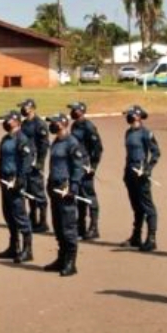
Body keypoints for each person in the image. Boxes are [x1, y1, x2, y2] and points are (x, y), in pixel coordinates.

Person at [43, 113, 86, 276]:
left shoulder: (71, 143)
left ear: (63, 124)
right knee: (58, 225)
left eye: (54, 123)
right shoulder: (57, 141)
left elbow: (77, 167)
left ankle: (70, 262)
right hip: (54, 186)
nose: (52, 125)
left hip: (65, 188)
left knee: (68, 227)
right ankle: (61, 258)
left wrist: (73, 187)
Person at [0, 111, 34, 263]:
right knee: (9, 215)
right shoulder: (5, 139)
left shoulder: (22, 139)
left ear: (16, 121)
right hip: (5, 181)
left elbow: (26, 163)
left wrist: (20, 181)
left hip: (16, 181)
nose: (5, 123)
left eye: (7, 120)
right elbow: (1, 159)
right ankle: (13, 247)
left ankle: (27, 249)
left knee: (20, 215)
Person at [121, 105, 161, 251]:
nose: (128, 117)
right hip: (130, 173)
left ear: (138, 116)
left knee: (147, 206)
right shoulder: (128, 132)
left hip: (141, 173)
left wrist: (148, 169)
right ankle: (136, 236)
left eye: (131, 115)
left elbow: (156, 152)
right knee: (136, 206)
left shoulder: (146, 133)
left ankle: (151, 238)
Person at [69, 102, 103, 240]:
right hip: (76, 165)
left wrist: (93, 166)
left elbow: (98, 148)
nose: (72, 112)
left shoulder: (88, 126)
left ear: (81, 111)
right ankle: (81, 226)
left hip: (86, 166)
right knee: (79, 196)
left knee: (89, 196)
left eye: (74, 109)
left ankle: (94, 227)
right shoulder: (75, 125)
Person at [19, 99, 50, 234]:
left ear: (32, 108)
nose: (23, 110)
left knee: (39, 193)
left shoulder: (40, 124)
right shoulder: (24, 123)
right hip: (25, 162)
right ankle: (33, 220)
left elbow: (44, 145)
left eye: (24, 107)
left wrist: (40, 163)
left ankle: (43, 222)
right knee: (29, 193)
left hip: (35, 163)